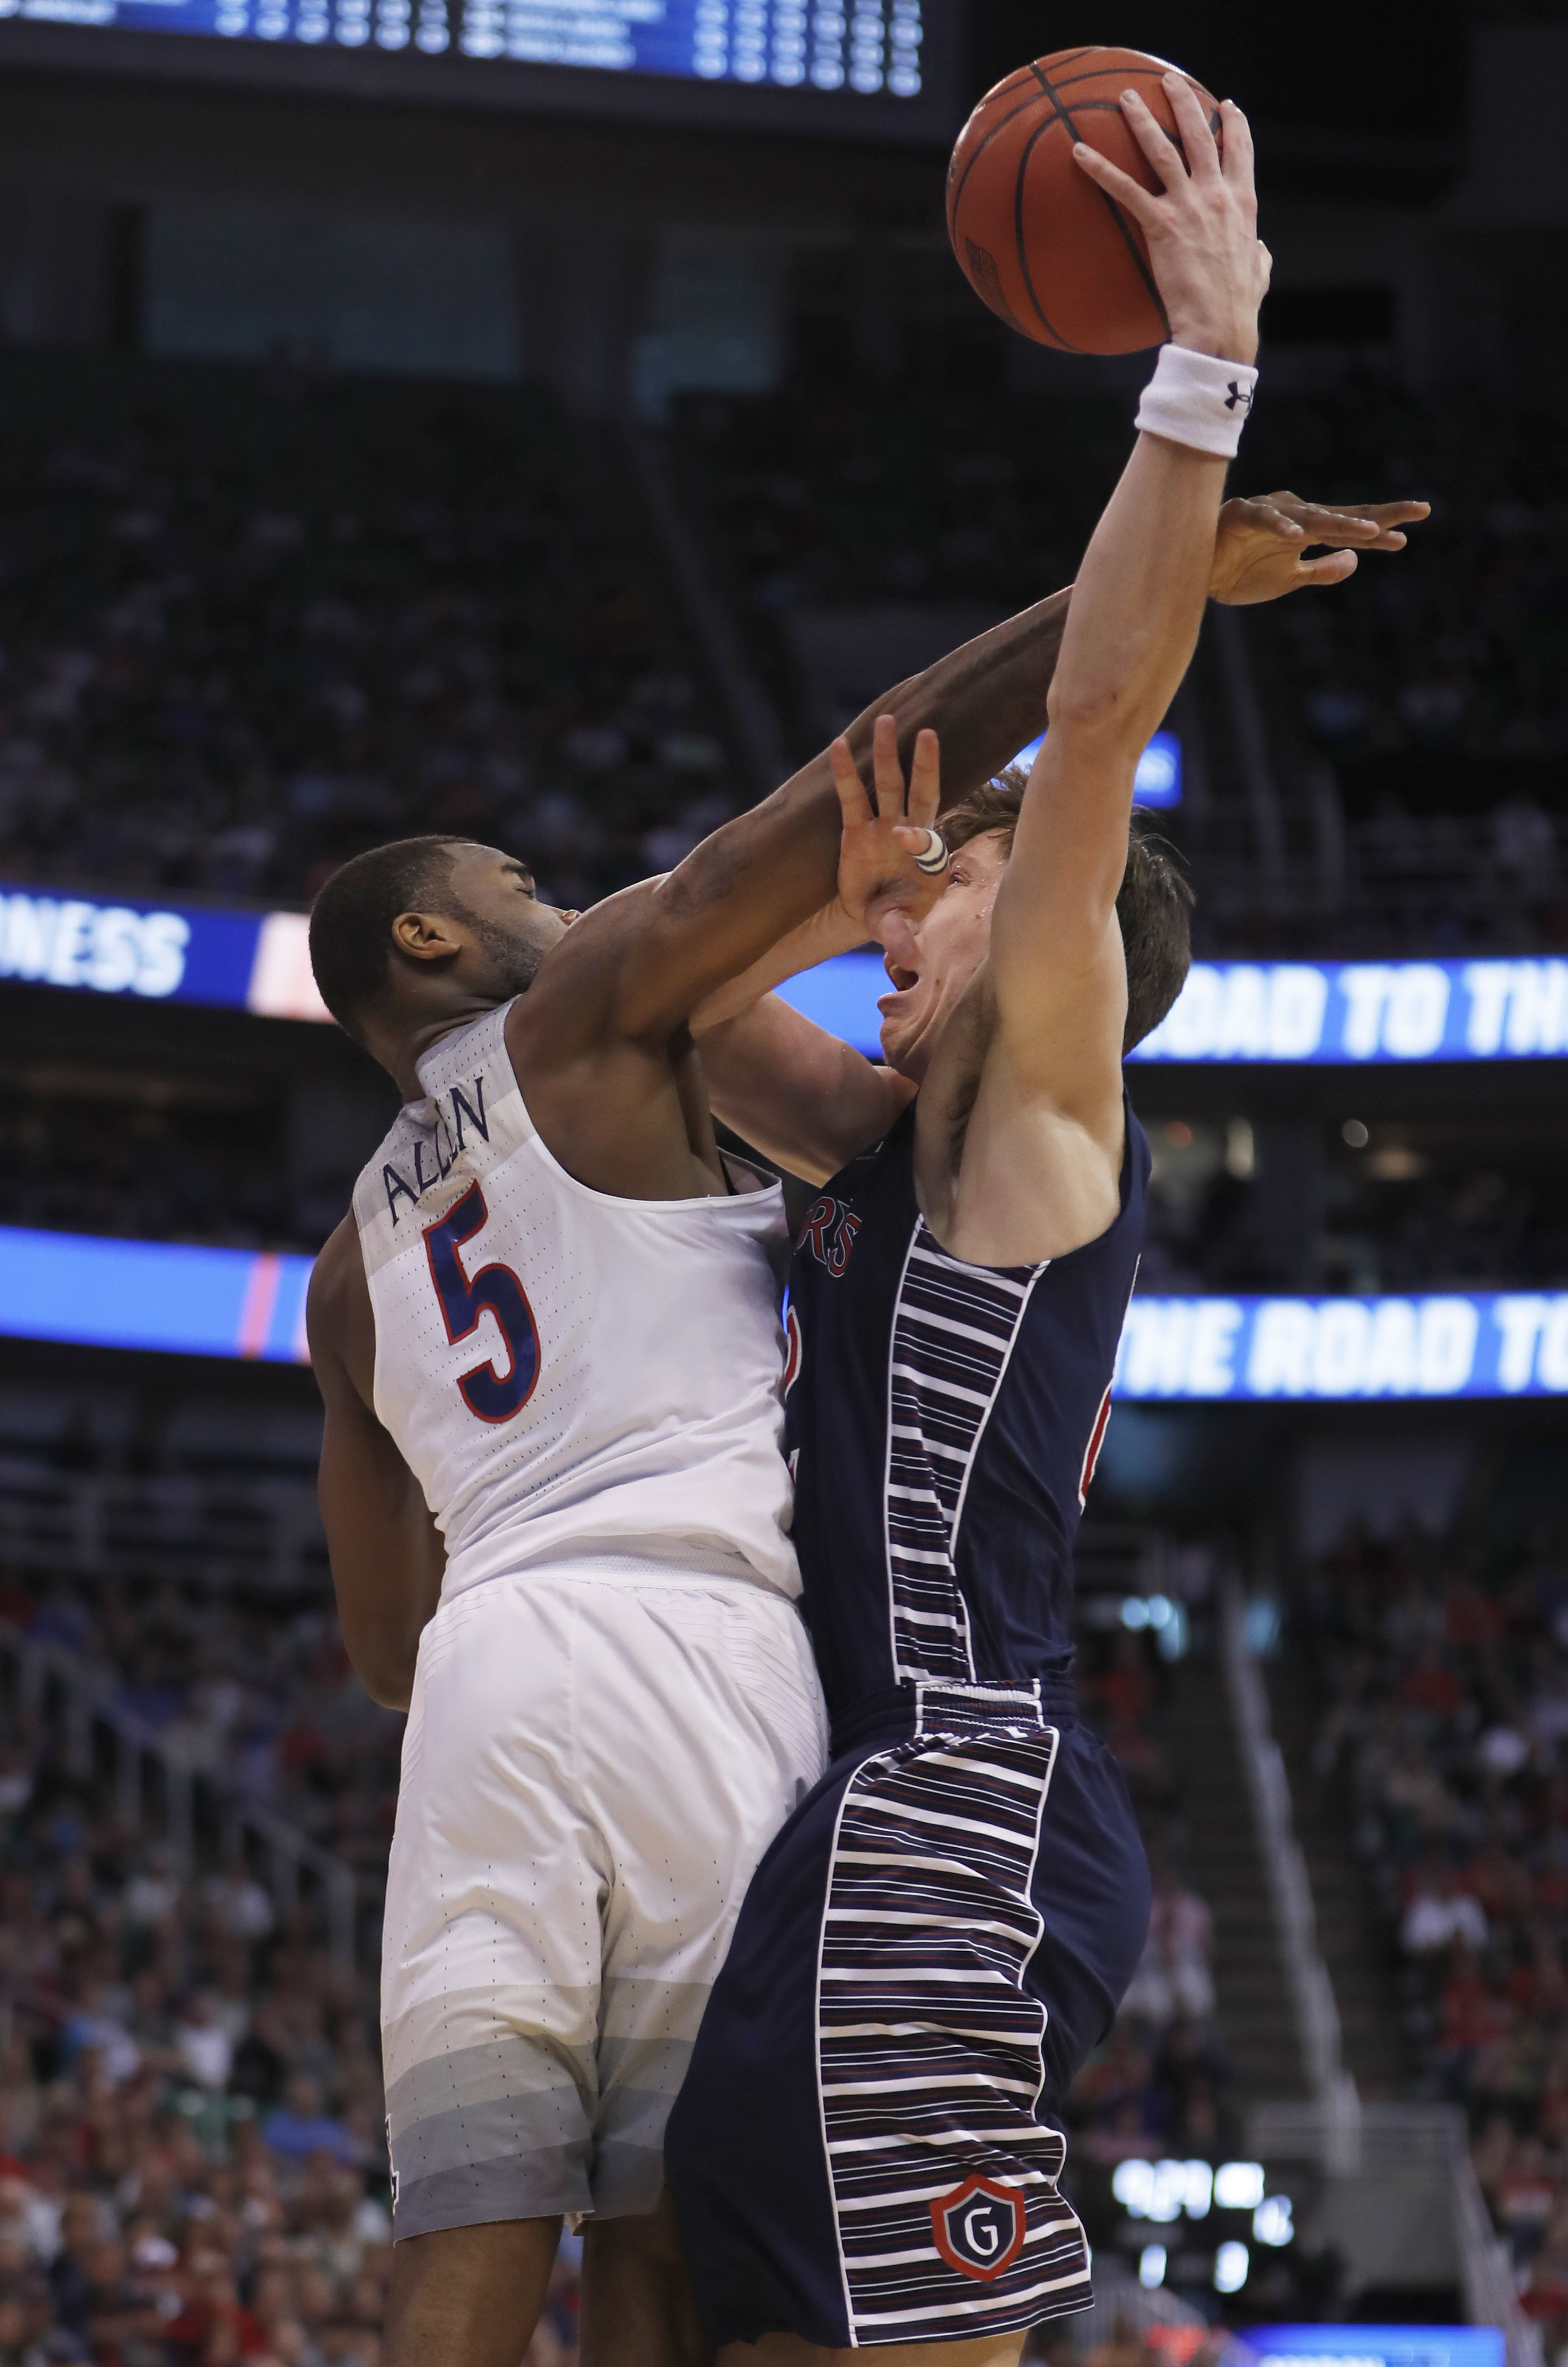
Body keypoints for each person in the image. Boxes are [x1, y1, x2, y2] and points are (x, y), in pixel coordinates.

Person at [664, 80, 1421, 2365]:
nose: (901, 928)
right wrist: (848, 887)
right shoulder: (892, 1144)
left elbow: (1095, 729)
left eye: (954, 892)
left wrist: (1204, 363)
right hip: (873, 1813)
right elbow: (661, 1001)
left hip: (954, 1811)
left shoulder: (1037, 1127)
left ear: (1069, 946)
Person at [303, 560, 1123, 2367]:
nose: (558, 899)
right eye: (516, 884)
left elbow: (380, 1649)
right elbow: (835, 790)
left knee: (467, 2221)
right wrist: (1118, 607)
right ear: (430, 939)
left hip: (482, 1678)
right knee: (666, 2230)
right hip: (693, 1642)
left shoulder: (343, 1275)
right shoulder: (582, 1015)